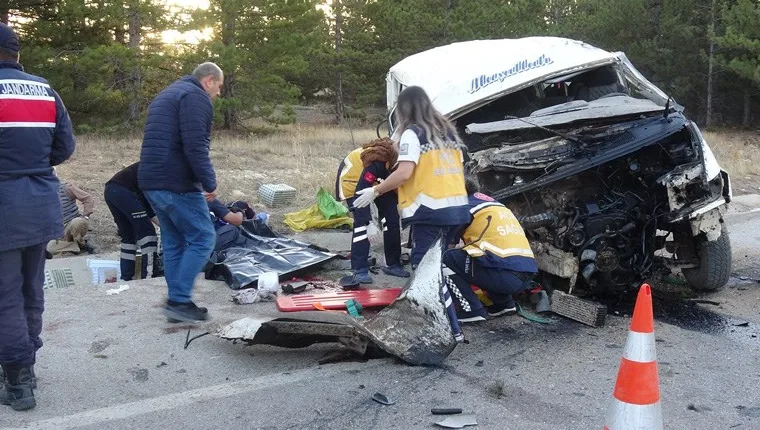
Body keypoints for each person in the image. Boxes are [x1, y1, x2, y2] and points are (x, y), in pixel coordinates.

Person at [0, 22, 76, 411]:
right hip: (41, 203)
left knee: (5, 298)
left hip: (5, 207)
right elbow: (65, 147)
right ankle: (26, 365)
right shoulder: (44, 89)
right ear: (17, 53)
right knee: (31, 290)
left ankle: (17, 382)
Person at [138, 62, 223, 323]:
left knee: (175, 240)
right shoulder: (195, 97)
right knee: (203, 238)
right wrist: (209, 182)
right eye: (219, 87)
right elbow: (196, 145)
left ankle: (177, 301)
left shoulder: (169, 93)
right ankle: (179, 301)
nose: (218, 94)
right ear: (208, 80)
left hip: (151, 179)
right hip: (175, 181)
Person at [353, 86, 470, 268]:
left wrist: (376, 191)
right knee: (442, 265)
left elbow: (404, 173)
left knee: (424, 267)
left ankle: (427, 297)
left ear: (403, 109)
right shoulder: (449, 135)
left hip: (431, 211)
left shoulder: (413, 134)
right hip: (458, 211)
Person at [443, 178, 538, 323]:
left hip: (506, 277)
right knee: (483, 256)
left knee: (446, 259)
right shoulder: (493, 204)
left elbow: (448, 247)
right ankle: (504, 304)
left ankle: (470, 310)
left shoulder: (462, 207)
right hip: (527, 273)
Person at [336, 138, 410, 286]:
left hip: (378, 182)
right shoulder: (377, 161)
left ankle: (392, 263)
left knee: (392, 218)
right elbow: (360, 193)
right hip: (354, 182)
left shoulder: (403, 161)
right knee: (362, 226)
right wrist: (368, 222)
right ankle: (359, 268)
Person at [104, 162, 162, 281]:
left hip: (111, 191)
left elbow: (147, 209)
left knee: (129, 236)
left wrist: (165, 225)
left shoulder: (151, 162)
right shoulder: (159, 166)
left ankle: (126, 277)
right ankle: (149, 274)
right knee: (148, 233)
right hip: (124, 192)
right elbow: (148, 202)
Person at [46, 175, 96, 255]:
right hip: (57, 233)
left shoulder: (66, 187)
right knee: (49, 248)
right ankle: (80, 245)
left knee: (79, 222)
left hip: (71, 224)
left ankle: (78, 243)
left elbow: (88, 198)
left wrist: (86, 216)